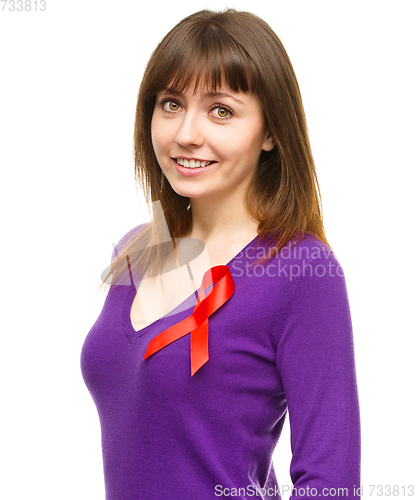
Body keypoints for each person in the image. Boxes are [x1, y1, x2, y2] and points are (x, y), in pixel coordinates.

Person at [80, 8, 360, 500]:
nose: (186, 134)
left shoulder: (302, 271)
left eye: (221, 110)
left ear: (271, 132)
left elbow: (332, 484)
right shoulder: (136, 247)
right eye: (170, 104)